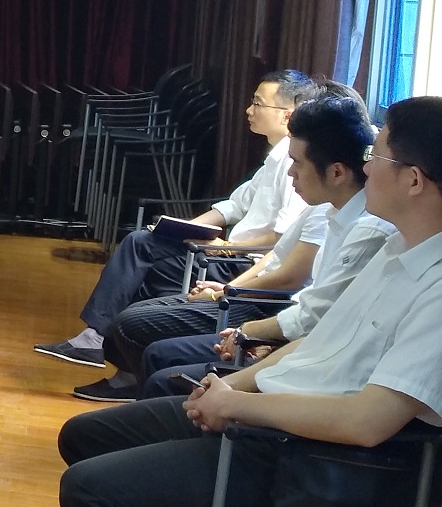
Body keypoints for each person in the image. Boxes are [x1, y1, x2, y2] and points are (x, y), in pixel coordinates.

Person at [56, 96, 442, 507]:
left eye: (377, 154)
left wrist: (239, 409)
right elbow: (316, 344)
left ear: (415, 180)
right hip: (279, 426)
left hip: (322, 468)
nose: (366, 165)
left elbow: (369, 422)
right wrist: (235, 387)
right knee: (87, 436)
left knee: (93, 491)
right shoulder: (404, 246)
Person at [75, 91, 375, 403]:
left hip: (266, 298)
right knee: (142, 266)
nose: (291, 172)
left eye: (297, 164)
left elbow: (301, 299)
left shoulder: (367, 230)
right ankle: (113, 360)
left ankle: (147, 395)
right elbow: (257, 231)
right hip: (260, 296)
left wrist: (240, 315)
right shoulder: (328, 208)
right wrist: (197, 242)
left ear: (337, 172)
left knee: (148, 342)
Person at [34, 70, 318, 370]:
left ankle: (105, 347)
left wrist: (227, 246)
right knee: (144, 246)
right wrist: (185, 227)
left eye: (258, 104)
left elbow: (279, 238)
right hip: (226, 252)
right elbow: (233, 206)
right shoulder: (274, 159)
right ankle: (110, 350)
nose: (249, 110)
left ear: (287, 115)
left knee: (143, 251)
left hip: (240, 261)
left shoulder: (293, 165)